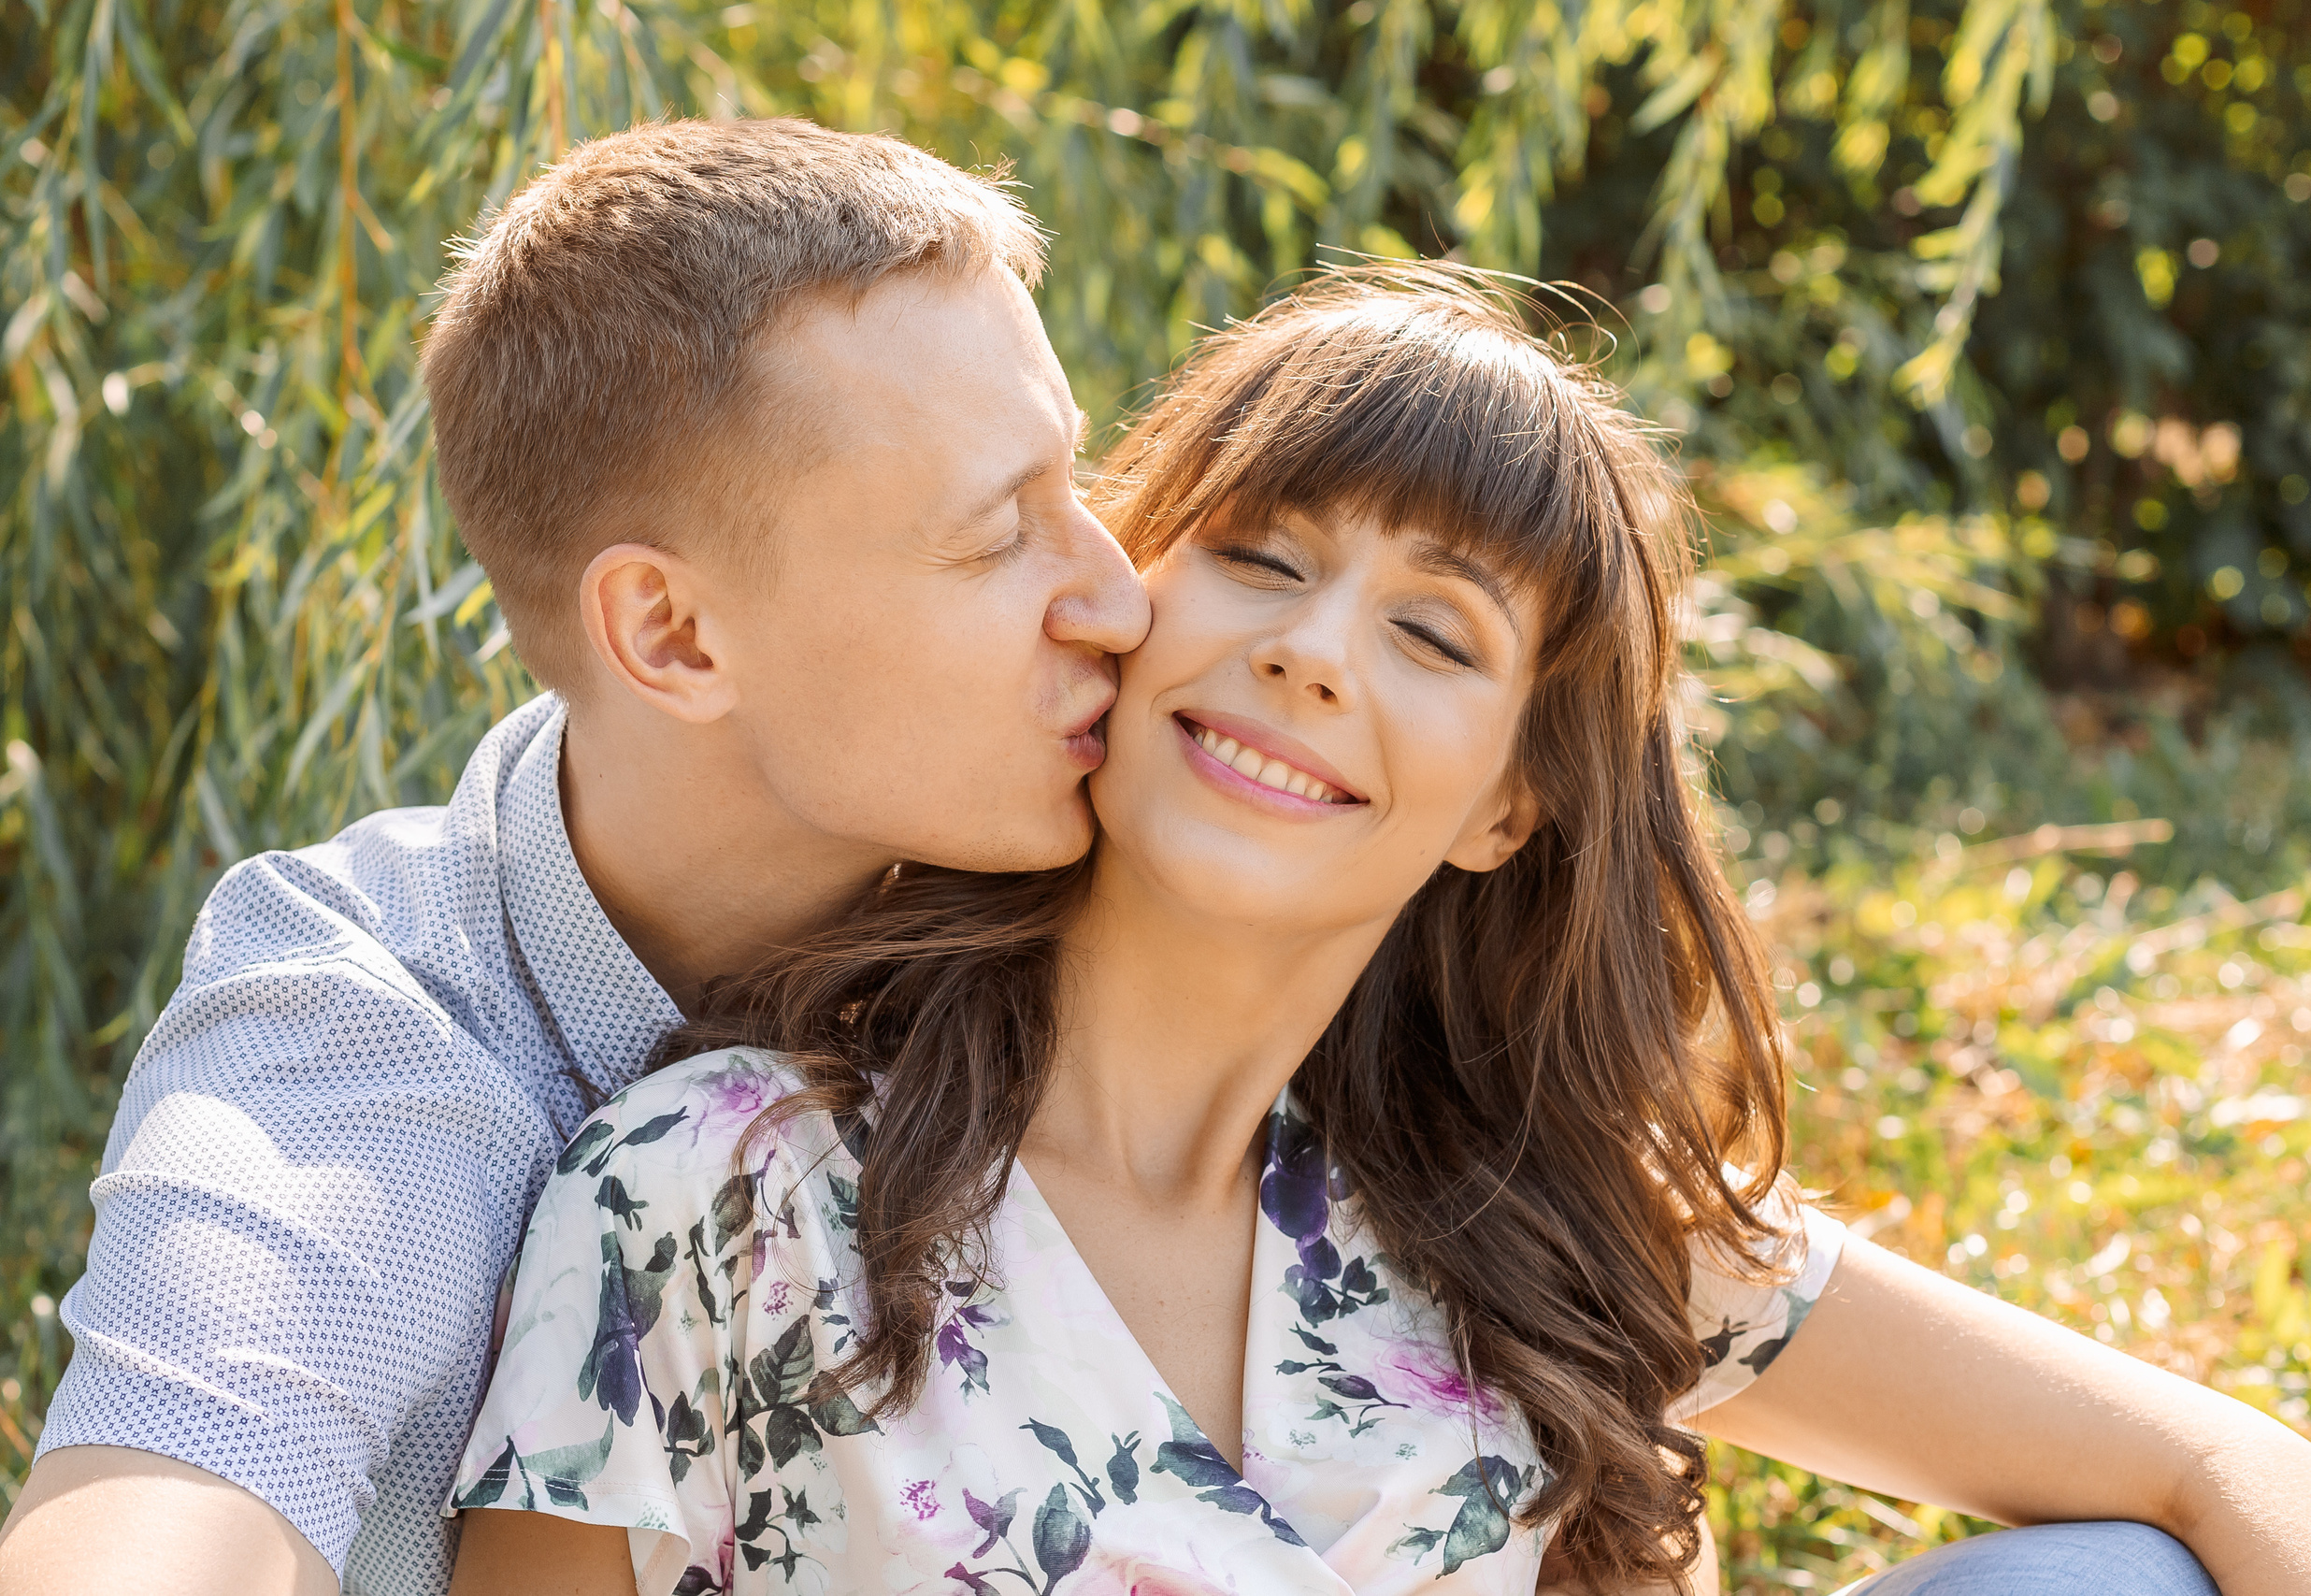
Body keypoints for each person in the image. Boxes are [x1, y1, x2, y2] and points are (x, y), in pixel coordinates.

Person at [440, 266, 2311, 1595]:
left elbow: (2213, 1461)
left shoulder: (1521, 1217)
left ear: (1508, 799)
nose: (1309, 651)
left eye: (1433, 634)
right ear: (1119, 593)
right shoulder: (719, 1192)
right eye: (1258, 551)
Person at [0, 119, 1149, 1596]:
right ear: (672, 634)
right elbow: (156, 1523)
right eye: (1001, 538)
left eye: (1078, 478)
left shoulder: (1115, 933)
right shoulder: (368, 1043)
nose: (1116, 597)